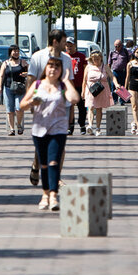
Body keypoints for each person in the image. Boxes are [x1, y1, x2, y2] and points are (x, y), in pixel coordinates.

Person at [20, 57, 79, 211]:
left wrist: (67, 81)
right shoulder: (37, 85)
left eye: (57, 67)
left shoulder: (62, 86)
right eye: (50, 66)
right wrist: (32, 102)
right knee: (44, 164)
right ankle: (45, 194)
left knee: (54, 162)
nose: (53, 69)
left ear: (60, 71)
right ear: (45, 69)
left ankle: (53, 195)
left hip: (58, 130)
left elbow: (74, 98)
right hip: (39, 130)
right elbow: (22, 105)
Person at [25, 29, 73, 185]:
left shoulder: (66, 59)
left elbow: (68, 83)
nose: (66, 46)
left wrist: (71, 107)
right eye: (64, 42)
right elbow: (31, 81)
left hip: (61, 106)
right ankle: (36, 164)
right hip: (42, 106)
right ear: (55, 42)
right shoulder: (37, 57)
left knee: (59, 142)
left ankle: (56, 177)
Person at [0, 44, 29, 136]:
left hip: (20, 89)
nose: (16, 53)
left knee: (19, 108)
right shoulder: (5, 63)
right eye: (14, 51)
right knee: (10, 110)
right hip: (8, 88)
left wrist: (26, 74)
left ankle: (19, 124)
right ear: (10, 52)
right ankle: (11, 129)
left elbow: (31, 72)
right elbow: (1, 76)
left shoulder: (23, 62)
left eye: (17, 51)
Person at [82, 50, 115, 136]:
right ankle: (90, 125)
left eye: (97, 58)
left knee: (99, 108)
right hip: (90, 90)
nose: (95, 60)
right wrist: (83, 91)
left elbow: (112, 76)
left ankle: (98, 128)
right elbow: (84, 80)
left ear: (101, 58)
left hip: (101, 90)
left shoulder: (105, 67)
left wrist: (117, 84)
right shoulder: (88, 67)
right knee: (90, 107)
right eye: (94, 59)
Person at [65, 37, 87, 135]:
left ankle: (82, 125)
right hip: (68, 86)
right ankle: (70, 126)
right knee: (69, 106)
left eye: (71, 45)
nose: (69, 47)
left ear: (75, 46)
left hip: (80, 85)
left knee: (81, 106)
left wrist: (86, 84)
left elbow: (86, 71)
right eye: (67, 45)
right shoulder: (64, 56)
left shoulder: (81, 56)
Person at [107, 39, 130, 105]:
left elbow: (128, 62)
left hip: (123, 71)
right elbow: (109, 63)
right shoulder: (112, 52)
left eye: (118, 46)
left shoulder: (125, 52)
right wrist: (109, 72)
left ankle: (122, 101)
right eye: (116, 46)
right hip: (115, 71)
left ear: (122, 46)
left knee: (122, 86)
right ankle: (114, 100)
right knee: (114, 86)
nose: (117, 48)